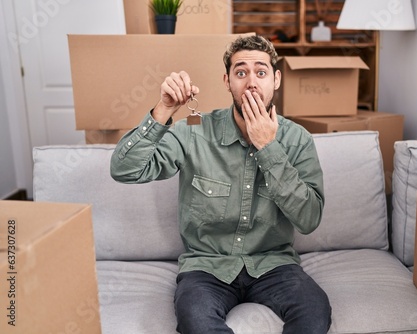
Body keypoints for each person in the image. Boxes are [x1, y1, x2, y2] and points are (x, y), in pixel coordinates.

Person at [110, 35, 332, 334]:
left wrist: (268, 148)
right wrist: (163, 108)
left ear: (276, 80)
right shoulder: (195, 130)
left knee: (315, 313)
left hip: (273, 265)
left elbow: (309, 219)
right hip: (206, 267)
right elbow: (124, 170)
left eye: (261, 72)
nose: (251, 82)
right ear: (227, 81)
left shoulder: (297, 139)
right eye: (241, 72)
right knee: (196, 321)